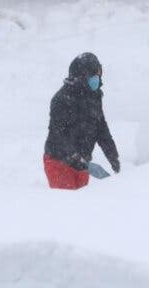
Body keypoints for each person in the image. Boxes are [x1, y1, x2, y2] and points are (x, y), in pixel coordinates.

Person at [43, 52, 121, 190]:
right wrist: (75, 158)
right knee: (69, 205)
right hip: (59, 162)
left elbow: (102, 129)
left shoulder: (94, 96)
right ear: (83, 75)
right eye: (94, 74)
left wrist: (113, 157)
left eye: (99, 72)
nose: (97, 77)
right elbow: (57, 135)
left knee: (82, 203)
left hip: (83, 164)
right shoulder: (62, 100)